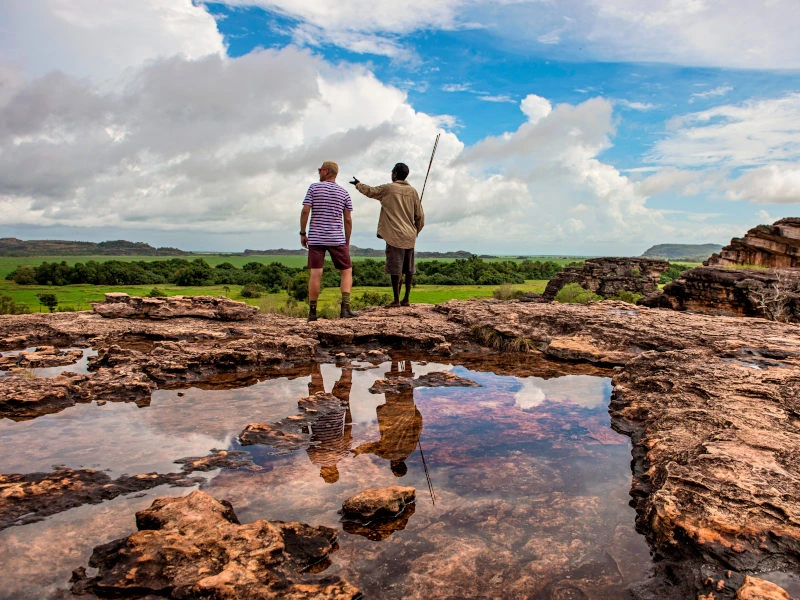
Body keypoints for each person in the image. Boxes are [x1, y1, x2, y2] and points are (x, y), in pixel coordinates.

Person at [350, 163, 424, 307]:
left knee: (395, 268)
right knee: (409, 269)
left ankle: (396, 300)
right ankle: (406, 299)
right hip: (410, 236)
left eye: (392, 172)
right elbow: (420, 216)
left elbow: (371, 191)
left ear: (395, 174)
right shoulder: (413, 192)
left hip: (395, 235)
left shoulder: (388, 189)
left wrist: (358, 184)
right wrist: (415, 232)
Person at [300, 161, 358, 321]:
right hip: (336, 238)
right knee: (346, 271)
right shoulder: (344, 193)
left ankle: (312, 313)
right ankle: (345, 309)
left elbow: (305, 210)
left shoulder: (313, 188)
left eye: (320, 170)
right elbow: (347, 219)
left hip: (316, 238)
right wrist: (347, 241)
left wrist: (303, 233)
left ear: (326, 171)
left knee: (316, 273)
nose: (319, 172)